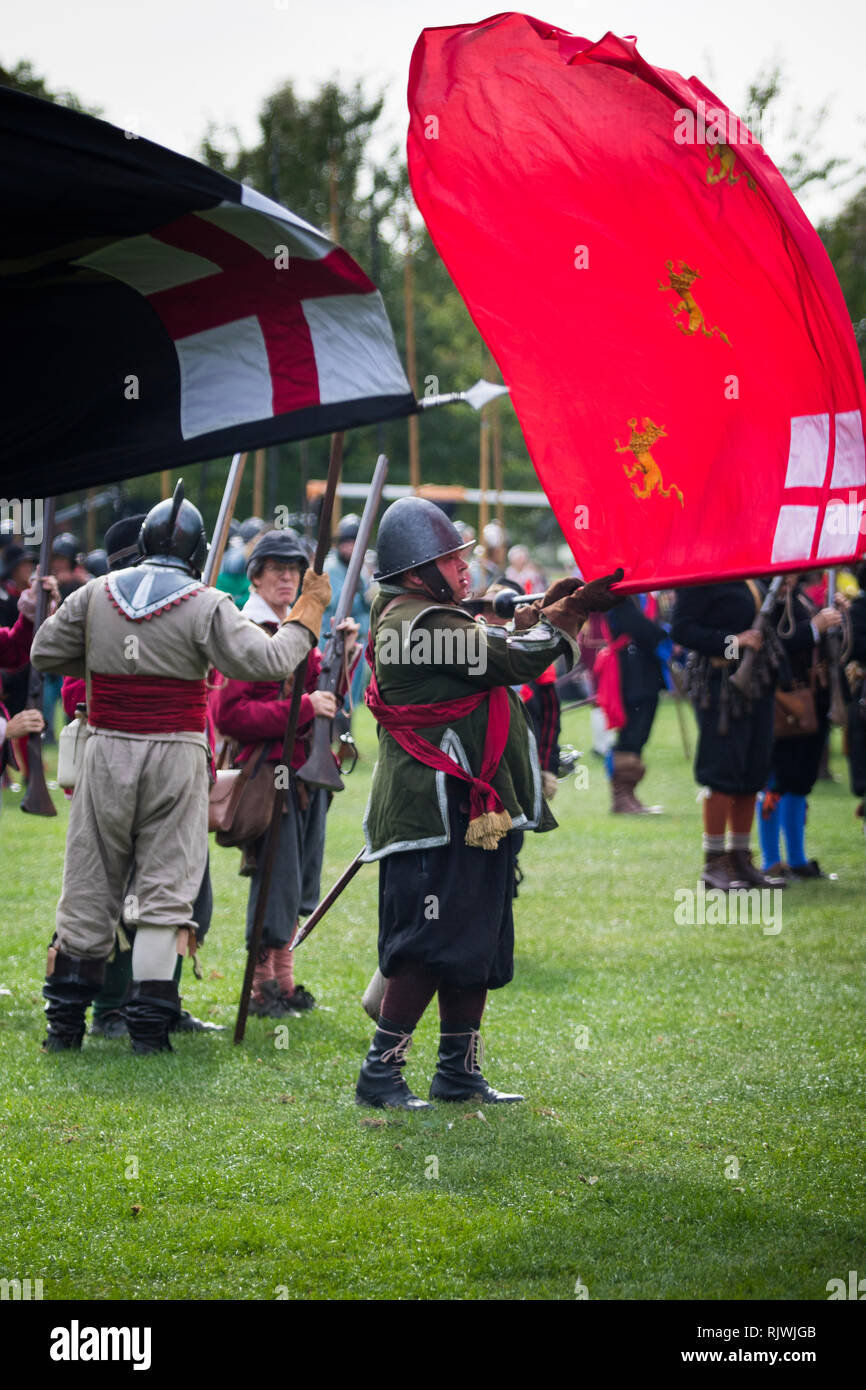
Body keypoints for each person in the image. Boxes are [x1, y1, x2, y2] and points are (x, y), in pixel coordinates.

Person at [30, 482, 331, 1054]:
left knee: (89, 889)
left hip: (105, 750)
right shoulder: (206, 601)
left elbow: (45, 651)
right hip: (174, 756)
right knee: (166, 896)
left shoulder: (96, 593)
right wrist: (308, 611)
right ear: (196, 552)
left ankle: (64, 1028)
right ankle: (148, 1033)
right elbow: (268, 658)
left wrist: (107, 660)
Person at [356, 495, 623, 1109]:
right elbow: (508, 657)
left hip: (471, 810)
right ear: (418, 572)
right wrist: (568, 615)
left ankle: (458, 1073)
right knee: (426, 944)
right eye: (452, 561)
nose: (464, 570)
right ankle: (380, 1073)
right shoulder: (413, 625)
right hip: (435, 810)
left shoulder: (431, 614)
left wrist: (547, 611)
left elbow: (492, 640)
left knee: (475, 941)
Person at [215, 528, 359, 1018]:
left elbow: (327, 702)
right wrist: (300, 706)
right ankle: (261, 988)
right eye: (276, 569)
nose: (287, 578)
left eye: (295, 571)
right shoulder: (246, 630)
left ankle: (284, 982)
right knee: (275, 881)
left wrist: (342, 661)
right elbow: (230, 715)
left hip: (305, 773)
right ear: (254, 577)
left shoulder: (299, 628)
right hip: (268, 777)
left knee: (298, 882)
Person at [672, 580, 787, 891]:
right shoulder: (702, 577)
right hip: (718, 685)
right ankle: (714, 863)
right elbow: (682, 630)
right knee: (720, 773)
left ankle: (740, 858)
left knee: (752, 773)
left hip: (757, 684)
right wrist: (733, 642)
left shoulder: (753, 577)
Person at [757, 574, 842, 878]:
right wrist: (814, 628)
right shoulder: (762, 598)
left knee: (800, 780)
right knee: (776, 782)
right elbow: (771, 643)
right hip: (783, 701)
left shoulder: (799, 598)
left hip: (811, 700)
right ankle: (770, 862)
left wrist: (833, 619)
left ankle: (796, 858)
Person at [603, 595, 668, 813]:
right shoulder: (619, 596)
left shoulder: (642, 596)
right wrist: (664, 634)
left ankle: (629, 794)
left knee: (640, 735)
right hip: (630, 677)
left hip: (646, 675)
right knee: (630, 735)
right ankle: (621, 797)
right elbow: (638, 627)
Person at [321, 514, 373, 715]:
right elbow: (337, 603)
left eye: (355, 543)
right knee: (331, 694)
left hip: (355, 643)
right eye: (347, 543)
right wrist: (364, 597)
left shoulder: (357, 568)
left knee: (349, 700)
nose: (350, 548)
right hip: (332, 642)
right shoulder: (330, 568)